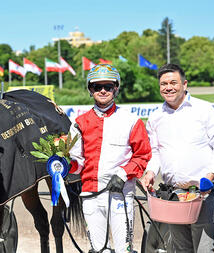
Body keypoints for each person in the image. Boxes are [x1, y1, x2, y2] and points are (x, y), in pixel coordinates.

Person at [141, 63, 214, 253]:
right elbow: (155, 152)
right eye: (164, 84)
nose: (168, 87)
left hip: (201, 194)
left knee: (204, 249)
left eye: (173, 82)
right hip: (173, 196)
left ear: (185, 84)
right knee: (180, 250)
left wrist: (210, 176)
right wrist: (150, 172)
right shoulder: (155, 117)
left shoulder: (204, 110)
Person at [69, 64, 152, 253]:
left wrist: (123, 174)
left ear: (116, 88)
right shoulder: (79, 123)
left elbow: (142, 155)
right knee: (98, 250)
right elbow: (78, 161)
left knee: (124, 249)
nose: (103, 90)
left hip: (120, 194)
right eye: (97, 87)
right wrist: (64, 166)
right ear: (90, 90)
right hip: (90, 195)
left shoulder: (131, 121)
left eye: (108, 86)